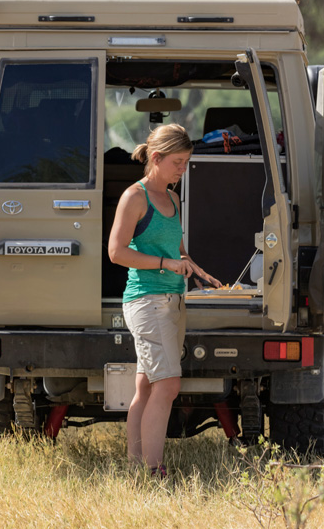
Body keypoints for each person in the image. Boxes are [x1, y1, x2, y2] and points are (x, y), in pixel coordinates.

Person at [107, 123, 221, 478]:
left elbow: (177, 251)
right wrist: (164, 264)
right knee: (168, 385)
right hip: (147, 301)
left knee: (147, 385)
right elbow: (116, 252)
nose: (182, 169)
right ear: (155, 158)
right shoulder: (134, 197)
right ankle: (154, 470)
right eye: (178, 162)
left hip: (172, 300)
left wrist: (196, 270)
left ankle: (137, 466)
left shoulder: (172, 198)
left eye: (186, 162)